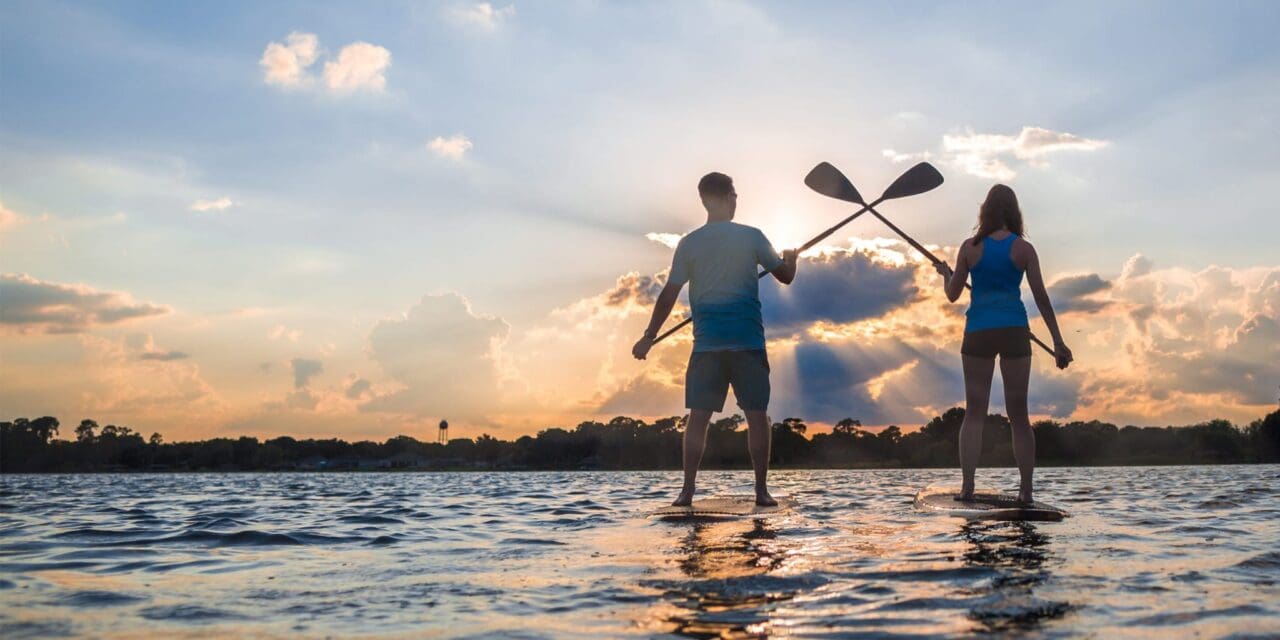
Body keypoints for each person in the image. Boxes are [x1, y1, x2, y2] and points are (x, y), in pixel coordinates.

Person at [632, 172, 798, 506]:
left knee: (698, 417)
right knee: (757, 416)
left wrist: (648, 337)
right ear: (722, 198)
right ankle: (761, 492)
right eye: (734, 195)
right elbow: (786, 277)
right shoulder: (752, 236)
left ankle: (687, 491)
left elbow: (668, 295)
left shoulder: (690, 243)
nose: (736, 201)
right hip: (747, 344)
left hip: (707, 346)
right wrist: (791, 258)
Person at [934, 184, 1072, 505]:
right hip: (1013, 331)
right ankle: (1026, 490)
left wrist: (946, 274)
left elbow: (953, 294)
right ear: (1014, 212)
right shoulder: (1023, 250)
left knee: (974, 414)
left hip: (979, 331)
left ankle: (967, 487)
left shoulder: (970, 247)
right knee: (1019, 416)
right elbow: (1041, 298)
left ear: (985, 211)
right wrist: (1058, 342)